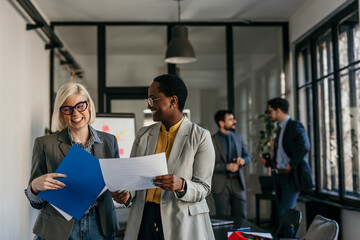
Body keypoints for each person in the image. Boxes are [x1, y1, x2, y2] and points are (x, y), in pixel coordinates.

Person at [112, 74, 215, 240]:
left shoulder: (201, 136)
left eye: (153, 99)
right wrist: (126, 195)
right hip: (144, 217)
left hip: (181, 220)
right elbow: (132, 179)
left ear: (173, 101)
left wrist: (182, 185)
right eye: (148, 100)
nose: (149, 105)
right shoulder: (143, 134)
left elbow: (204, 187)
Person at [24, 83, 120, 240]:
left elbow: (117, 185)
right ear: (61, 113)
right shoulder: (44, 144)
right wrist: (34, 187)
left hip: (100, 225)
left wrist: (124, 193)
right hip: (57, 226)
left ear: (89, 106)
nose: (75, 113)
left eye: (80, 106)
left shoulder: (109, 141)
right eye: (67, 108)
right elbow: (36, 202)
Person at [261, 97, 310, 238]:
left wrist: (292, 163)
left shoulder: (294, 125)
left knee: (284, 214)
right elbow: (282, 154)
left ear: (278, 110)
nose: (269, 115)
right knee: (283, 214)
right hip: (279, 176)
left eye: (270, 111)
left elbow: (304, 146)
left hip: (291, 177)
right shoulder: (281, 129)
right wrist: (270, 163)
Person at [211, 110, 251, 220]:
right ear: (221, 123)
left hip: (238, 182)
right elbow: (209, 165)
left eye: (234, 118)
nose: (235, 121)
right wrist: (226, 167)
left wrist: (243, 160)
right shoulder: (212, 140)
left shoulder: (238, 137)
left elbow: (248, 157)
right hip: (221, 185)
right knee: (222, 218)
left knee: (242, 218)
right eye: (230, 119)